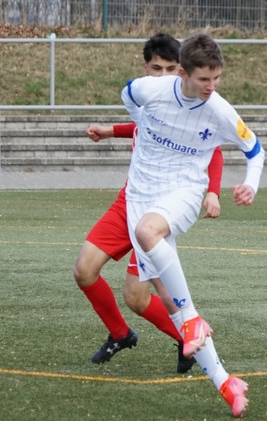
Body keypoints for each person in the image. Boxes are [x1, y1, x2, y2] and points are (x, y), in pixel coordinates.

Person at [122, 32, 266, 418]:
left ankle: (193, 321)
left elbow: (255, 150)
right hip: (140, 195)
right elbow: (128, 95)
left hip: (184, 190)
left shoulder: (219, 110)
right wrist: (142, 124)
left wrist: (250, 185)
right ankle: (225, 382)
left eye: (216, 78)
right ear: (183, 73)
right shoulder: (151, 89)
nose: (211, 86)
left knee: (148, 233)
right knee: (168, 298)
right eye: (204, 79)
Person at [75, 33, 224, 373]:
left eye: (171, 69)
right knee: (84, 270)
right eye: (156, 69)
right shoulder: (148, 99)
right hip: (129, 200)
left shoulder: (193, 108)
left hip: (159, 210)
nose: (163, 76)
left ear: (182, 71)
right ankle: (120, 333)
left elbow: (213, 150)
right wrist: (110, 131)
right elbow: (142, 126)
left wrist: (213, 192)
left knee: (137, 297)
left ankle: (196, 346)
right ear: (145, 69)